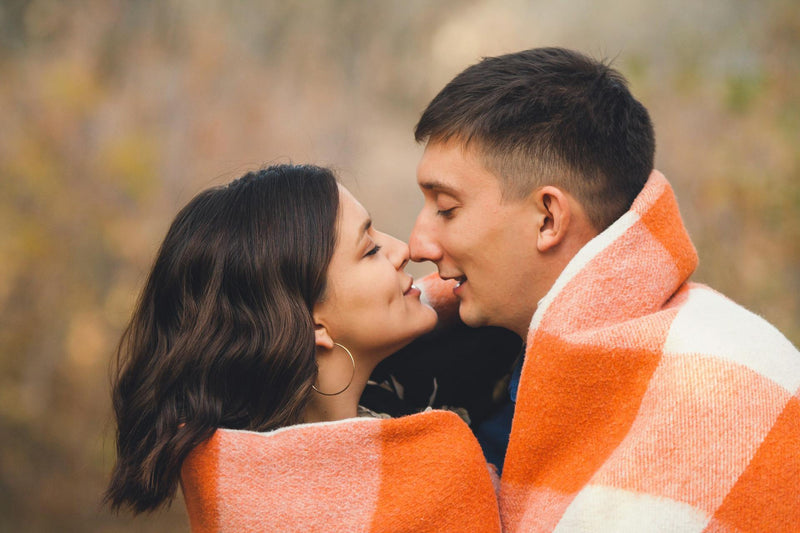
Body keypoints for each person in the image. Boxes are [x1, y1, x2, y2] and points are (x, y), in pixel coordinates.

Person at [409, 47, 799, 532]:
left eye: (446, 209)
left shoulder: (725, 382)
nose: (417, 244)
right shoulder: (474, 370)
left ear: (548, 218)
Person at [104, 164, 502, 532]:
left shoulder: (430, 382)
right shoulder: (428, 464)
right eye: (370, 250)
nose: (404, 250)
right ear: (312, 323)